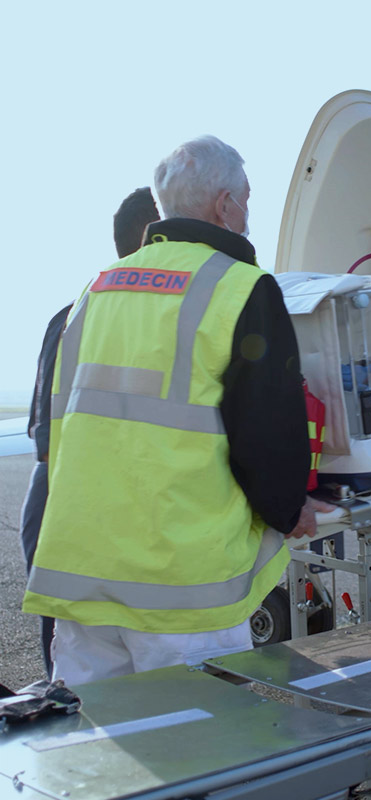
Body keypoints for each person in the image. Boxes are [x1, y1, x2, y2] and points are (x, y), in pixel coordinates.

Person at [24, 135, 321, 686]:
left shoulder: (96, 289)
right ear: (224, 203)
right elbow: (266, 432)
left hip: (85, 575)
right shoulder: (241, 288)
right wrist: (289, 508)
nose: (248, 213)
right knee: (201, 751)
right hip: (180, 588)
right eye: (248, 199)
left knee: (96, 755)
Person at [18, 187, 161, 679]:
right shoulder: (146, 317)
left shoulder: (76, 311)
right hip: (90, 520)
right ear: (153, 237)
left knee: (79, 681)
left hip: (61, 515)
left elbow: (46, 443)